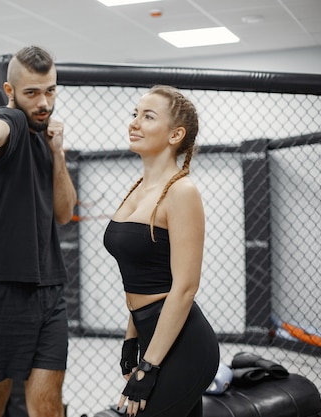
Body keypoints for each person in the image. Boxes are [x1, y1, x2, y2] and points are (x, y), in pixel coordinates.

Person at [0, 45, 77, 417]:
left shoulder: (44, 139)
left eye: (51, 90)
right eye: (32, 93)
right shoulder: (9, 121)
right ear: (10, 92)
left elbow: (64, 214)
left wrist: (58, 153)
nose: (44, 102)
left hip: (49, 293)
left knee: (48, 406)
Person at [103, 85, 219, 417]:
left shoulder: (182, 192)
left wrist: (150, 365)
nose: (134, 123)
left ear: (175, 134)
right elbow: (143, 276)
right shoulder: (138, 188)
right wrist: (131, 339)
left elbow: (183, 288)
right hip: (149, 331)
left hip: (184, 344)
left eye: (148, 117)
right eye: (134, 114)